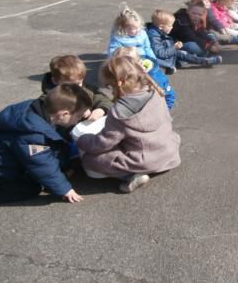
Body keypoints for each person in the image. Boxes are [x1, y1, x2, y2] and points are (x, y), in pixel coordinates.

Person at [77, 55, 181, 193]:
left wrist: (83, 140)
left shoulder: (119, 111)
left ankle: (129, 175)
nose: (109, 90)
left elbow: (103, 143)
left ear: (118, 84)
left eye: (108, 86)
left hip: (146, 160)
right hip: (169, 151)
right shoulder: (154, 91)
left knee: (90, 159)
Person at [0, 83, 92, 204]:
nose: (78, 120)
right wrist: (64, 189)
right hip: (2, 175)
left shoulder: (39, 109)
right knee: (31, 188)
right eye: (78, 116)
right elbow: (42, 165)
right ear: (63, 114)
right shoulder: (32, 134)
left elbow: (54, 143)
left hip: (10, 161)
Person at [41, 54, 112, 121]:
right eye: (70, 85)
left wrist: (101, 109)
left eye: (79, 83)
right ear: (55, 81)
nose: (76, 88)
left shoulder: (87, 89)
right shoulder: (46, 100)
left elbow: (104, 100)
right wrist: (78, 111)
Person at [146, 10, 217, 74]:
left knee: (184, 54)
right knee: (182, 54)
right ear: (161, 27)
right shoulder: (154, 37)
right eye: (170, 26)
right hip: (162, 58)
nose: (172, 27)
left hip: (168, 53)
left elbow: (166, 44)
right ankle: (169, 66)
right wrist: (174, 48)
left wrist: (175, 44)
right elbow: (160, 53)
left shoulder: (160, 31)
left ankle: (205, 61)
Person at [112, 47, 177, 111]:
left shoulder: (155, 78)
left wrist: (164, 111)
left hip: (153, 108)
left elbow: (169, 96)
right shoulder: (134, 71)